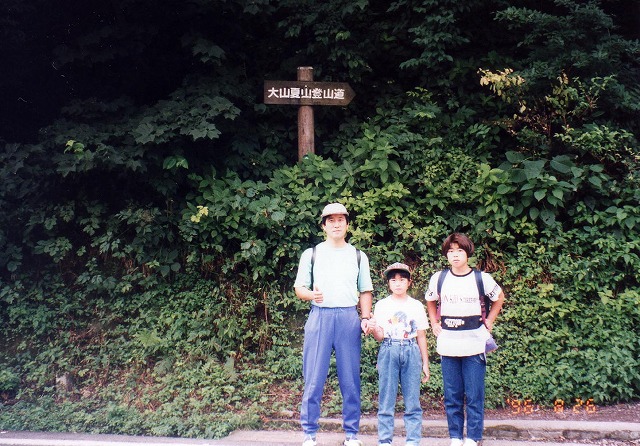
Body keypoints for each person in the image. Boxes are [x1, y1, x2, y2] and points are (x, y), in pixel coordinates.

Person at [294, 203, 374, 446]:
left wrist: (366, 317)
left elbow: (365, 290)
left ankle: (352, 434)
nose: (336, 224)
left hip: (348, 317)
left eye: (341, 220)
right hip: (319, 317)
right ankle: (309, 434)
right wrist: (311, 295)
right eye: (331, 220)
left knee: (350, 379)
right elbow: (299, 288)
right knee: (313, 378)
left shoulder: (358, 255)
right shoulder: (311, 253)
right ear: (323, 225)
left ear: (347, 224)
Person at [425, 233, 504, 446]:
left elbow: (499, 298)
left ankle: (473, 437)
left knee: (474, 394)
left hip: (474, 344)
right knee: (452, 395)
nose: (455, 255)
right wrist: (433, 322)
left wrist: (490, 320)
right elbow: (430, 300)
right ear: (446, 255)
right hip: (448, 344)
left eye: (459, 250)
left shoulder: (481, 278)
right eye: (451, 251)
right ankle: (455, 437)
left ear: (468, 253)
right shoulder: (439, 278)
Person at [366, 262, 430, 446]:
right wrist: (373, 327)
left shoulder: (416, 305)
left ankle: (413, 441)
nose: (398, 283)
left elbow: (421, 335)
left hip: (411, 350)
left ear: (409, 282)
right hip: (389, 349)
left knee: (412, 400)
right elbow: (379, 336)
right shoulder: (382, 305)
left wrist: (425, 363)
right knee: (386, 399)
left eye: (402, 280)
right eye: (393, 280)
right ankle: (385, 441)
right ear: (388, 283)